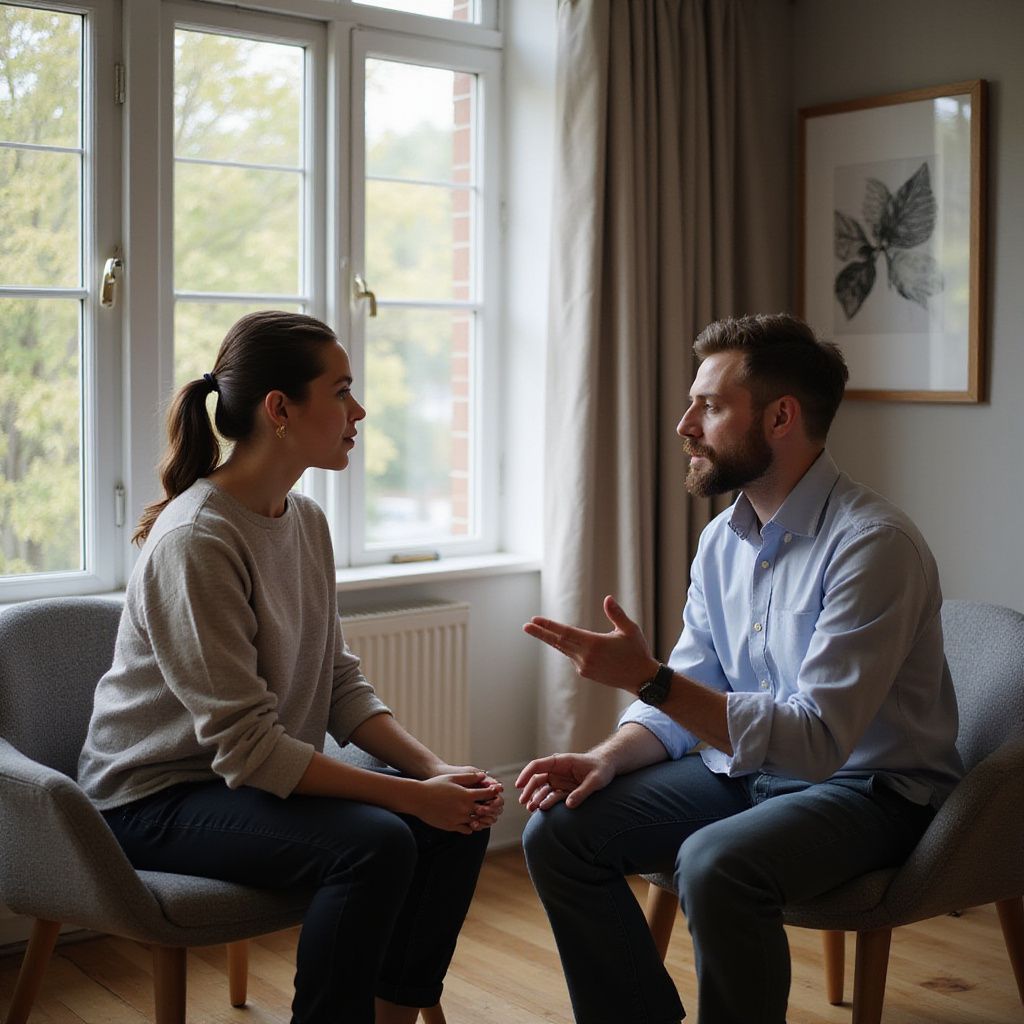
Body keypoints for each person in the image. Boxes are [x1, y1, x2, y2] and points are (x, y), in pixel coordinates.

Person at [517, 313, 963, 1024]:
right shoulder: (723, 539)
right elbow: (691, 692)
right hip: (748, 772)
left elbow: (818, 742)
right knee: (560, 832)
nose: (684, 423)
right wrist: (606, 756)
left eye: (712, 405)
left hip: (868, 791)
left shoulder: (873, 546)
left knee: (716, 863)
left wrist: (647, 677)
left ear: (781, 416)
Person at [78, 310, 502, 1024]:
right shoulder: (197, 540)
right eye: (341, 390)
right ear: (280, 409)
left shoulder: (302, 520)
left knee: (461, 819)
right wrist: (406, 798)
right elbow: (249, 749)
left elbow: (337, 681)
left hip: (240, 782)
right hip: (150, 802)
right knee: (376, 845)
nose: (358, 410)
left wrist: (433, 774)